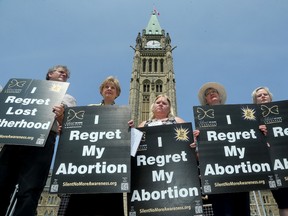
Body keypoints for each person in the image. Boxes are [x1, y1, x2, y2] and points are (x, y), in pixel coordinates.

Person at [0, 65, 76, 216]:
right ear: (50, 74)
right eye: (61, 72)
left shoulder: (68, 98)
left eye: (66, 75)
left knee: (30, 190)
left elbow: (67, 126)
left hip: (43, 141)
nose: (64, 75)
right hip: (15, 139)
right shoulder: (29, 89)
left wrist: (61, 115)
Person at [63, 76, 125, 216]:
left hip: (110, 167)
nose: (109, 89)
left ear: (117, 92)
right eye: (106, 87)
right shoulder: (89, 109)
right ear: (101, 90)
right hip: (89, 164)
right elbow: (77, 131)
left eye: (113, 87)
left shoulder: (123, 112)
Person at [194, 82, 251, 216]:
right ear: (206, 100)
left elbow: (247, 135)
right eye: (208, 93)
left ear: (220, 96)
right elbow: (201, 151)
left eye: (214, 92)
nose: (212, 94)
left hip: (239, 171)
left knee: (242, 210)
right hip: (217, 175)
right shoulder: (203, 120)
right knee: (222, 211)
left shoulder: (236, 114)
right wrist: (197, 140)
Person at [252, 86, 288, 216]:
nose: (262, 96)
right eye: (259, 95)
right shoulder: (253, 120)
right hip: (275, 165)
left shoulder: (285, 112)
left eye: (265, 94)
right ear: (255, 101)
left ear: (270, 96)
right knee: (284, 202)